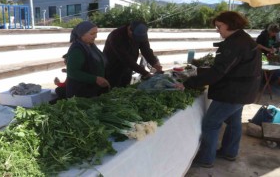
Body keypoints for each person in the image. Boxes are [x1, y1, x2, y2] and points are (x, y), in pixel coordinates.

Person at [175, 11, 262, 168]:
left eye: (219, 26)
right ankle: (229, 152)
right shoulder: (243, 39)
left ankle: (206, 158)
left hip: (232, 92)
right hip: (244, 91)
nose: (217, 30)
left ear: (230, 24)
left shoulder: (234, 44)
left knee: (211, 123)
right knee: (234, 121)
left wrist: (188, 83)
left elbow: (219, 71)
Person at [103, 21, 163, 88]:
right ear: (129, 29)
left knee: (125, 87)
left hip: (129, 67)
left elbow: (146, 50)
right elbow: (125, 58)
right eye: (134, 37)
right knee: (112, 89)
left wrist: (155, 63)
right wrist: (145, 73)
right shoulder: (116, 35)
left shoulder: (141, 34)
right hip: (113, 67)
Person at [65, 21, 110, 98]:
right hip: (80, 92)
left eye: (96, 33)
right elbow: (72, 72)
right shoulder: (77, 49)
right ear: (81, 35)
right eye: (92, 34)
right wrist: (95, 79)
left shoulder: (90, 46)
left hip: (91, 90)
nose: (95, 36)